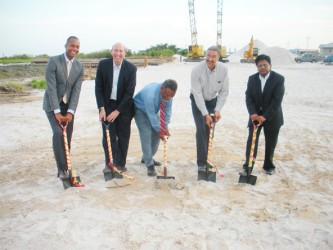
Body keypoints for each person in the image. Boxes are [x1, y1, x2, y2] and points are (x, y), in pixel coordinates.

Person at [43, 36, 84, 179]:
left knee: (67, 136)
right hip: (52, 105)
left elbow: (76, 90)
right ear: (66, 46)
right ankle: (61, 170)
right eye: (72, 45)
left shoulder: (79, 66)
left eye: (77, 47)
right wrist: (56, 112)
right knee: (58, 133)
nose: (74, 49)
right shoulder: (53, 61)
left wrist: (71, 112)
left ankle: (67, 166)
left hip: (68, 108)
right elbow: (51, 88)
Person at [95, 42, 137, 177]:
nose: (118, 54)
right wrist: (102, 108)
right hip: (107, 106)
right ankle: (110, 163)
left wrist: (118, 111)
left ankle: (121, 164)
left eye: (121, 51)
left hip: (124, 107)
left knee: (123, 136)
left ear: (125, 53)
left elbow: (129, 93)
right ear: (111, 52)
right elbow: (98, 88)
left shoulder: (131, 69)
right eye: (115, 51)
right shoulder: (103, 65)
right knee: (108, 136)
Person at [240, 54, 285, 176]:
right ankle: (248, 167)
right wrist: (253, 113)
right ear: (257, 67)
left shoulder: (279, 79)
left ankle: (268, 166)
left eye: (265, 65)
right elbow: (248, 97)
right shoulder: (252, 79)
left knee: (270, 143)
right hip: (255, 116)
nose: (262, 67)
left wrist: (264, 116)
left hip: (272, 116)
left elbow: (277, 101)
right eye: (260, 65)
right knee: (251, 142)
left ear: (270, 65)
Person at [190, 46, 229, 179]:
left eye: (213, 57)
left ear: (219, 58)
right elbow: (197, 94)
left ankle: (207, 157)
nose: (210, 59)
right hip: (197, 100)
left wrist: (217, 110)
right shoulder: (196, 70)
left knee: (209, 130)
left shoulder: (223, 70)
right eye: (208, 56)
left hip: (213, 100)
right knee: (201, 129)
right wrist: (206, 114)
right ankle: (201, 163)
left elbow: (224, 92)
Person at [134, 79, 178, 176]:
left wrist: (165, 127)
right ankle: (149, 165)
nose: (168, 98)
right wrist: (159, 130)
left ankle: (147, 157)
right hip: (140, 110)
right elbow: (151, 116)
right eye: (166, 95)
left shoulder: (169, 95)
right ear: (162, 88)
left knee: (157, 135)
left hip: (153, 111)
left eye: (171, 96)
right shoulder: (150, 95)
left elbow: (167, 111)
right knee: (146, 134)